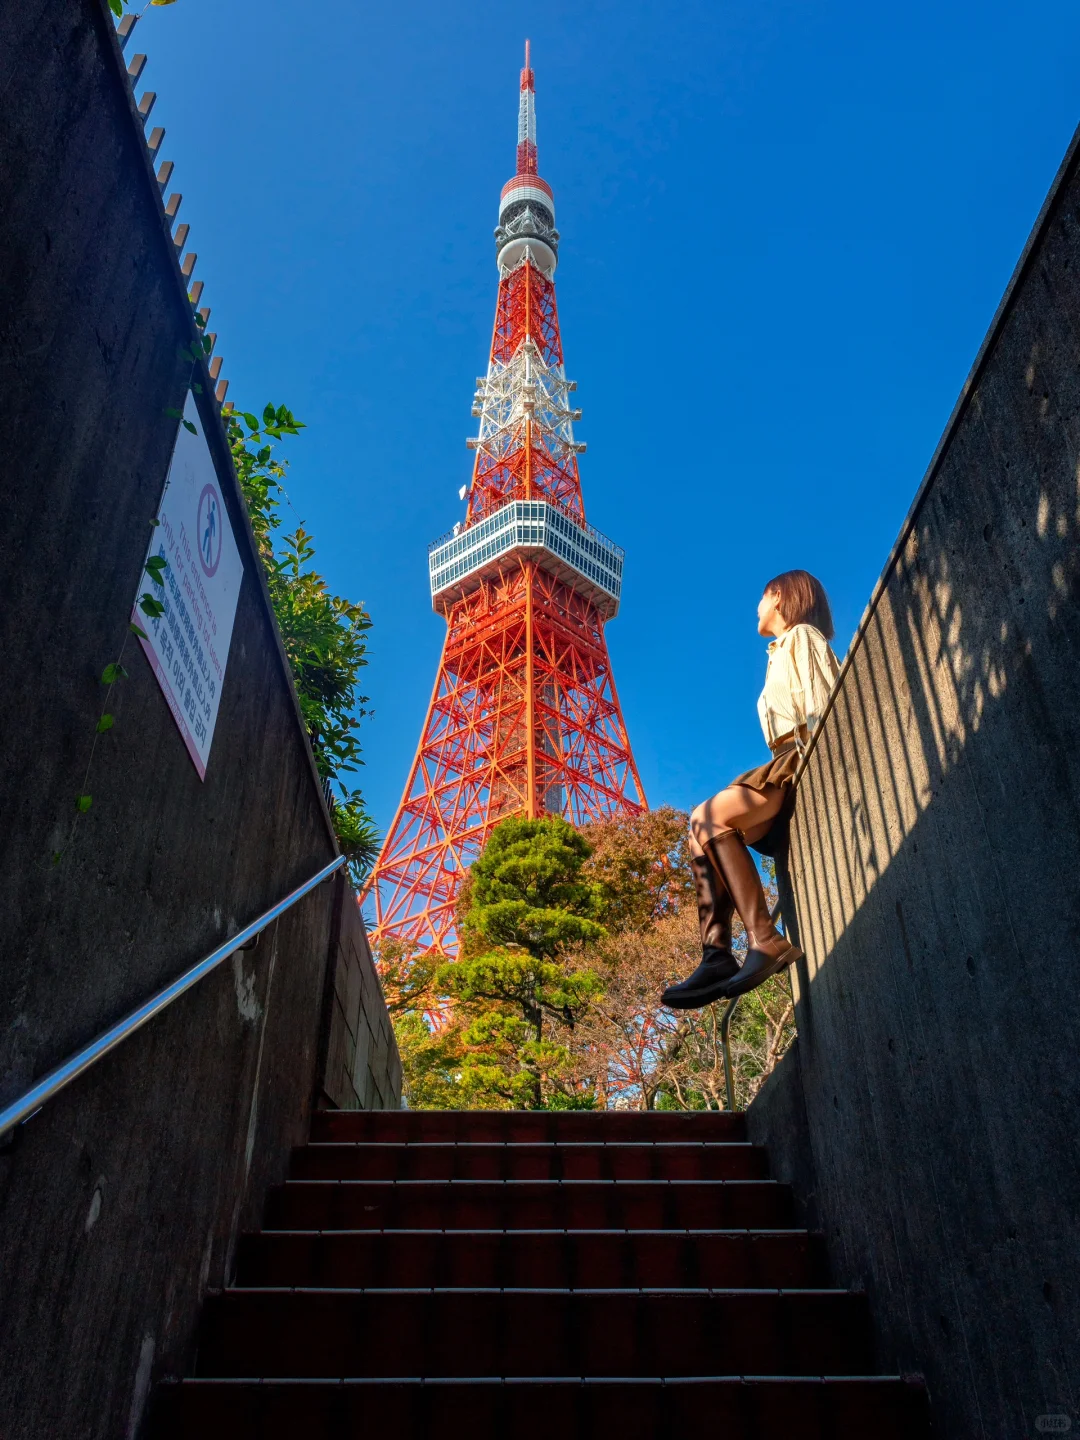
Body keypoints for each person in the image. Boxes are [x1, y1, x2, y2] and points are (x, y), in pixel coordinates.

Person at [662, 570, 841, 1010]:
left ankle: (763, 938)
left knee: (706, 815)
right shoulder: (777, 651)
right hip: (780, 762)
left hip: (796, 759)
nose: (756, 607)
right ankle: (716, 954)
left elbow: (824, 702)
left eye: (761, 597)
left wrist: (820, 761)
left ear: (779, 597)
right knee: (696, 829)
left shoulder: (802, 637)